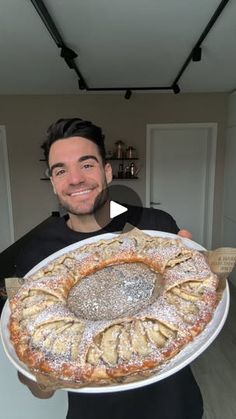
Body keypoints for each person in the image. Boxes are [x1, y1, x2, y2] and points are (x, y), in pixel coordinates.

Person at [16, 118, 203, 419]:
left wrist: (202, 279)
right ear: (53, 182)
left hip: (174, 405)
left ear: (107, 171)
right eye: (61, 170)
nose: (75, 179)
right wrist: (34, 371)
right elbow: (40, 386)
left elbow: (194, 313)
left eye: (86, 165)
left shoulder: (156, 225)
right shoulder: (38, 255)